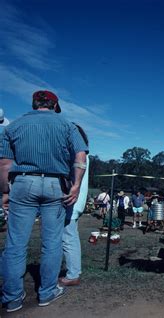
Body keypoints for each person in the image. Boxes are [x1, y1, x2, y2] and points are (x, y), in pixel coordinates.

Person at [0, 90, 88, 312]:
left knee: (15, 244)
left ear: (33, 104)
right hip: (55, 185)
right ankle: (47, 292)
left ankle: (12, 297)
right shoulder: (68, 126)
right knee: (52, 242)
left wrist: (5, 192)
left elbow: (4, 164)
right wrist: (76, 185)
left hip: (22, 183)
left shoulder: (13, 127)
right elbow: (80, 156)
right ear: (55, 106)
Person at [60, 124, 89, 287]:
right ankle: (74, 272)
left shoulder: (76, 155)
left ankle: (73, 274)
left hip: (71, 200)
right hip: (77, 201)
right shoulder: (84, 154)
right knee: (70, 237)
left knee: (68, 238)